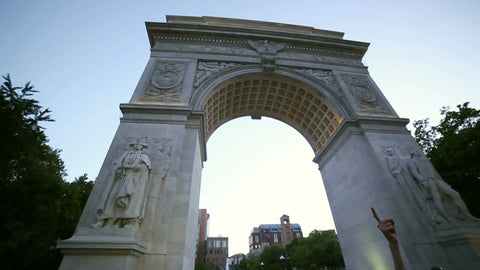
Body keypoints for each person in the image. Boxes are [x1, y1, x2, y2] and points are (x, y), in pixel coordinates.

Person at [92, 140, 152, 229]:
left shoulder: (144, 157)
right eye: (135, 144)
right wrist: (120, 169)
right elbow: (115, 165)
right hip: (120, 179)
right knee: (112, 197)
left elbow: (144, 168)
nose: (137, 146)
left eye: (139, 145)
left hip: (134, 181)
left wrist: (132, 168)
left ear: (142, 147)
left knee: (129, 201)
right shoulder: (125, 155)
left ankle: (124, 222)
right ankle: (106, 221)